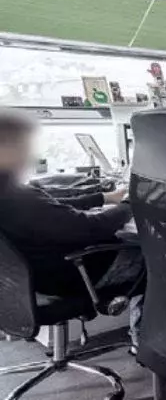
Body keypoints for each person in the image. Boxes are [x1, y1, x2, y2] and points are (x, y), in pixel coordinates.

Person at [0, 109, 143, 350]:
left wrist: (105, 198)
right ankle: (145, 341)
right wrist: (132, 204)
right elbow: (92, 229)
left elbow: (50, 206)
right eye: (23, 146)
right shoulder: (17, 197)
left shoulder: (10, 192)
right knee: (160, 257)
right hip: (69, 277)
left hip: (23, 282)